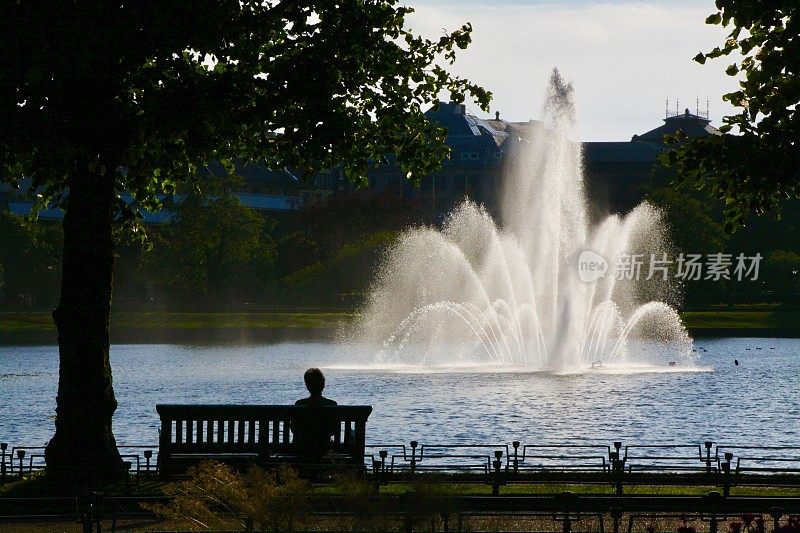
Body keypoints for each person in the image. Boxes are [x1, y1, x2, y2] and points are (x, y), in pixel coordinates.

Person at [292, 368, 338, 461]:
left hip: (302, 448)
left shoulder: (299, 404)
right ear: (323, 384)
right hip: (324, 447)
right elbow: (334, 430)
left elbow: (294, 429)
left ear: (307, 385)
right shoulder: (332, 405)